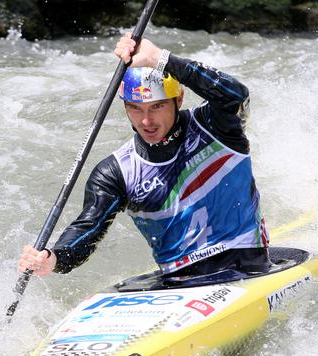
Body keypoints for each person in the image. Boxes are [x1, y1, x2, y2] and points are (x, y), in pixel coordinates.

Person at [18, 33, 269, 278]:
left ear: (178, 99)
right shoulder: (115, 171)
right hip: (178, 280)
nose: (146, 121)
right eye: (135, 108)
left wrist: (158, 57)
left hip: (246, 265)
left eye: (157, 106)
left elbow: (235, 95)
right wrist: (55, 258)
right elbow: (88, 227)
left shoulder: (216, 126)